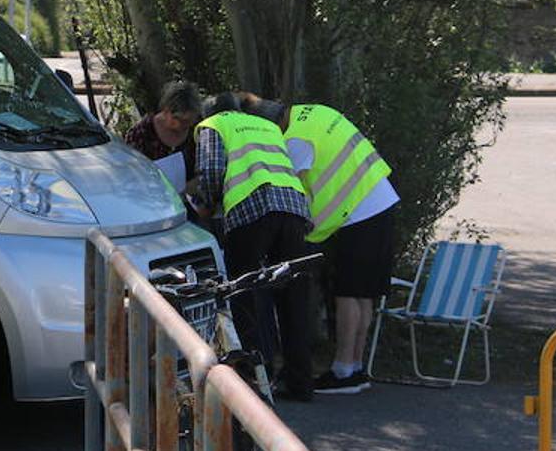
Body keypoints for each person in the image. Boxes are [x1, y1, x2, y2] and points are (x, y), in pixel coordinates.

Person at [243, 94, 398, 395]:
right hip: (378, 196)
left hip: (358, 211)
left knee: (348, 293)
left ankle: (342, 371)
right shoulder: (311, 113)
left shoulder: (294, 142)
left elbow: (292, 190)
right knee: (363, 295)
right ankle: (355, 367)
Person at [196, 92, 315, 401]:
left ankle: (254, 383)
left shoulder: (213, 124)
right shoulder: (267, 126)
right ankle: (300, 382)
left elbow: (210, 172)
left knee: (244, 293)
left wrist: (205, 205)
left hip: (251, 208)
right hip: (292, 207)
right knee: (292, 297)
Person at [124, 80, 202, 196]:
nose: (184, 125)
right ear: (166, 110)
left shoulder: (196, 129)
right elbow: (131, 176)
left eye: (189, 121)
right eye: (180, 120)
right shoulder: (140, 134)